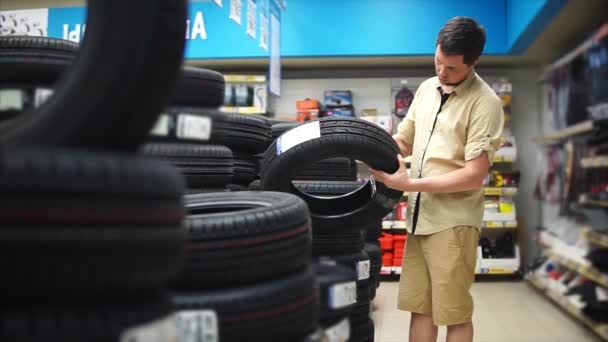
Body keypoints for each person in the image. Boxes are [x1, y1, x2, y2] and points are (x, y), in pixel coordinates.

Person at [370, 17, 504, 342]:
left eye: (452, 68)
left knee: (454, 313)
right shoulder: (428, 89)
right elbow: (403, 141)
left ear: (474, 62)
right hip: (420, 218)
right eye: (438, 62)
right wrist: (367, 148)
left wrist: (409, 185)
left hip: (453, 224)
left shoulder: (486, 103)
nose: (442, 73)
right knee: (422, 309)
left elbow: (474, 175)